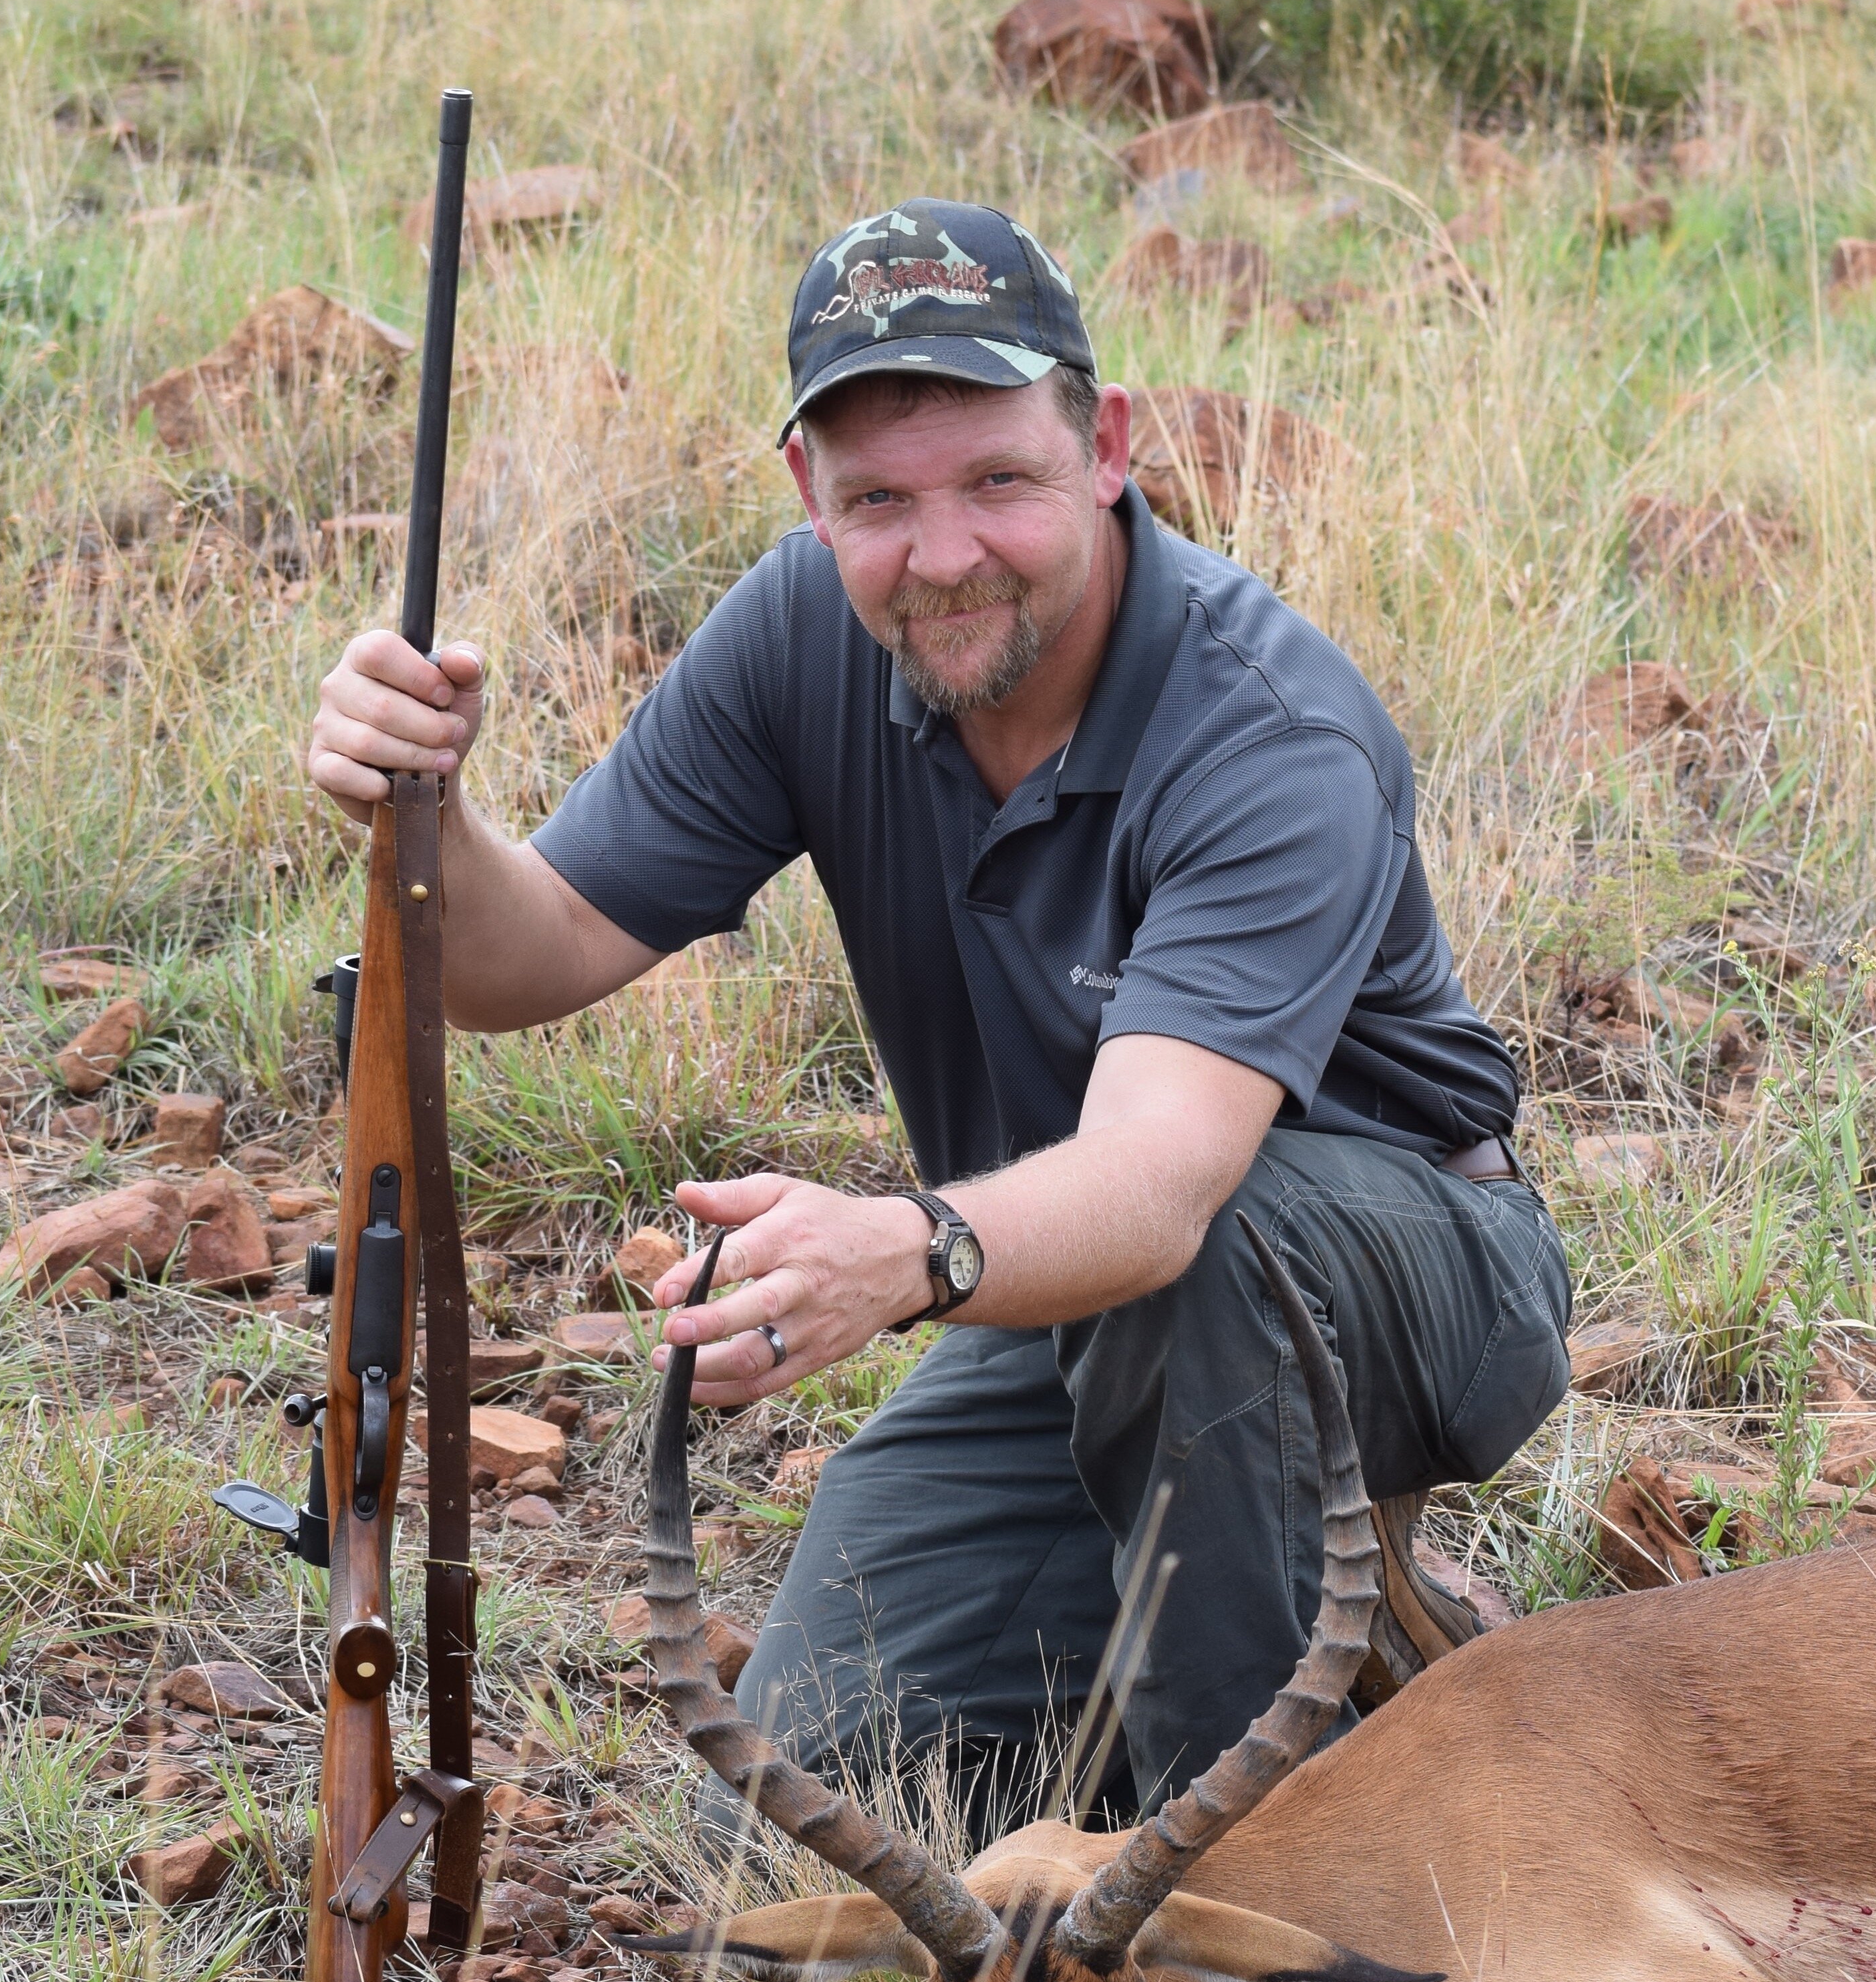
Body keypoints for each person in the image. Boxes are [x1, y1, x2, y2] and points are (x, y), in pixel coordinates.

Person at [301, 199, 1569, 1827]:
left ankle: (1279, 1896)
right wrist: (426, 815)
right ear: (811, 502)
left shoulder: (1269, 730)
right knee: (792, 1816)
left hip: (1398, 1280)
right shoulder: (798, 632)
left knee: (1225, 1265)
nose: (943, 552)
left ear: (1104, 447)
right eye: (881, 501)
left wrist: (907, 1255)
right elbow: (516, 959)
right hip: (1068, 1304)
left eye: (999, 482)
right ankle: (1342, 1672)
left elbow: (1165, 1186)